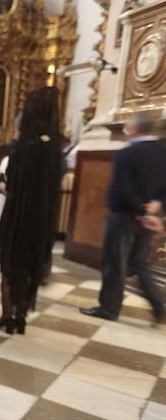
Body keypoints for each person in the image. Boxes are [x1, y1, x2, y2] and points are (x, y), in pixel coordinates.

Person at [81, 112, 166, 325]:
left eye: (128, 127)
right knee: (139, 263)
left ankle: (109, 308)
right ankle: (159, 306)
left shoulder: (127, 153)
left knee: (115, 263)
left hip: (125, 217)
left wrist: (141, 210)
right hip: (151, 219)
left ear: (135, 129)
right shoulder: (164, 152)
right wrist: (156, 208)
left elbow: (122, 189)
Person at [0, 88, 63, 334]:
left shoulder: (23, 151)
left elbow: (11, 187)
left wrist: (1, 184)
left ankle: (6, 315)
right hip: (42, 219)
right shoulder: (55, 150)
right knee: (31, 267)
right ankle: (21, 316)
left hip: (18, 218)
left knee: (10, 266)